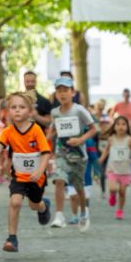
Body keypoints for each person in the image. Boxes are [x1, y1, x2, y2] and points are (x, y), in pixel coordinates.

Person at [0, 92, 52, 252]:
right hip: (18, 176)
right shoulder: (7, 132)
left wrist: (40, 170)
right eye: (13, 107)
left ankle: (44, 207)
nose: (17, 110)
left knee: (34, 204)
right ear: (8, 111)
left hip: (37, 177)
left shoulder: (36, 130)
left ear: (30, 111)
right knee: (15, 202)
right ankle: (12, 238)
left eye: (22, 107)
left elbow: (45, 153)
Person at [48, 76, 97, 231]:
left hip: (78, 155)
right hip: (61, 152)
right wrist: (44, 140)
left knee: (78, 187)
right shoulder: (54, 112)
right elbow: (53, 129)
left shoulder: (79, 110)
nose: (62, 94)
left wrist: (80, 139)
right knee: (59, 179)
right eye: (59, 91)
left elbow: (94, 129)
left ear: (72, 92)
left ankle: (84, 211)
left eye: (66, 90)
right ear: (56, 94)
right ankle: (59, 215)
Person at [99, 116, 131, 220]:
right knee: (113, 188)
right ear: (114, 126)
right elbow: (106, 150)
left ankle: (120, 210)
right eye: (118, 124)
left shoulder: (129, 140)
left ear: (127, 127)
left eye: (123, 124)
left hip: (125, 170)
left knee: (122, 192)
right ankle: (112, 195)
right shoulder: (111, 139)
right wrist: (102, 158)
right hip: (112, 169)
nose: (121, 126)